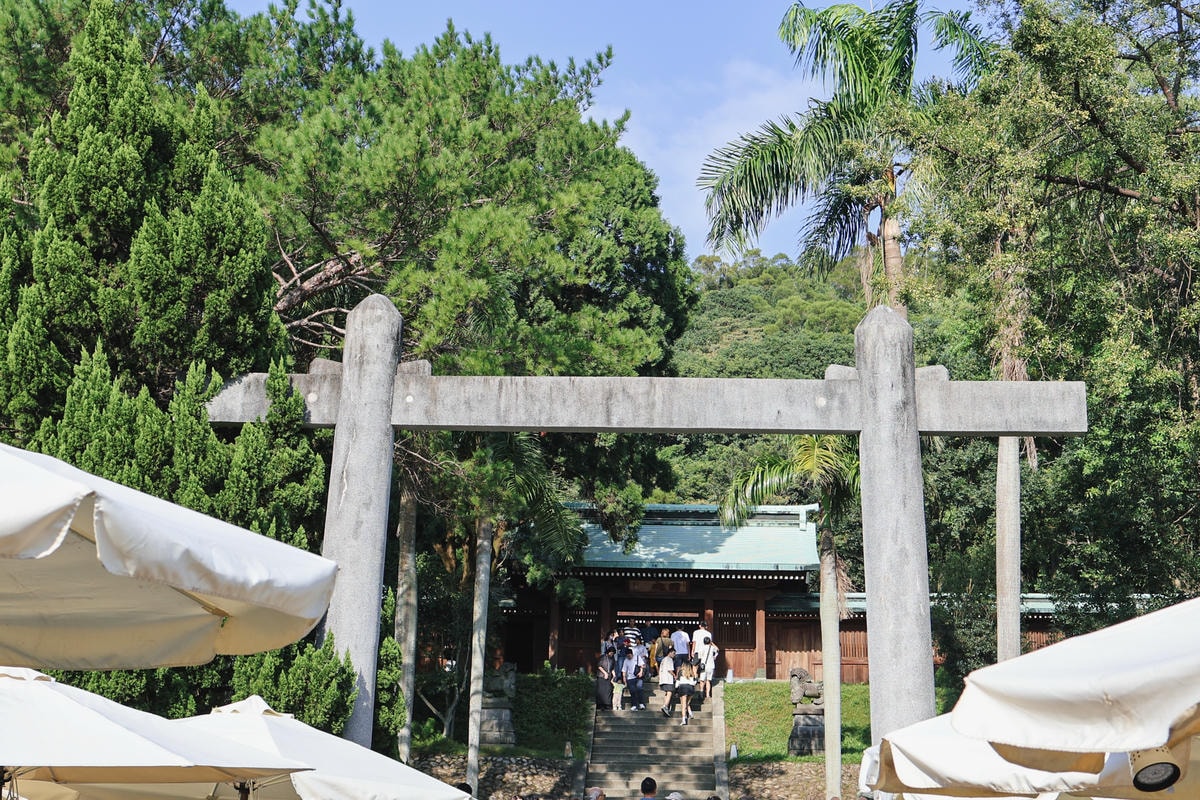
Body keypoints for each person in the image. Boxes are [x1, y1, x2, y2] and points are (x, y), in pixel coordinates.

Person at [621, 635, 647, 710]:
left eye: (629, 655)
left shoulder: (637, 657)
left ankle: (641, 703)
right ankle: (634, 705)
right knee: (632, 691)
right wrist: (624, 681)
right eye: (627, 656)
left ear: (632, 654)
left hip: (638, 676)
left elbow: (642, 665)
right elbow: (624, 671)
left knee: (639, 689)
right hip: (630, 678)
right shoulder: (626, 660)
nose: (629, 657)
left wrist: (641, 672)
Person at [695, 633, 719, 699]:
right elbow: (717, 649)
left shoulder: (701, 648)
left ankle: (701, 692)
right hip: (711, 665)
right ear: (709, 641)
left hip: (703, 666)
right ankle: (708, 695)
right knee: (708, 680)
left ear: (704, 642)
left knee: (702, 680)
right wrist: (712, 644)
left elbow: (700, 657)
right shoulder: (712, 648)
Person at [675, 660, 697, 725]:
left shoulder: (681, 672)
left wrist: (676, 690)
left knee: (683, 704)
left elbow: (677, 683)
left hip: (683, 688)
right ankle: (690, 713)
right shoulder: (691, 673)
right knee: (687, 703)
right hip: (690, 688)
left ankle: (684, 719)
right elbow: (694, 682)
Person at [595, 645, 616, 710]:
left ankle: (607, 704)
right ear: (608, 652)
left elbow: (612, 668)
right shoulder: (603, 657)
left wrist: (614, 674)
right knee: (601, 691)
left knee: (608, 690)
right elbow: (599, 666)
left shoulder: (612, 659)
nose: (612, 654)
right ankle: (601, 705)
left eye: (613, 653)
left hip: (609, 676)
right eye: (611, 653)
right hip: (602, 676)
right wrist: (605, 673)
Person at [657, 645, 677, 716]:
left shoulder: (663, 659)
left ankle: (665, 705)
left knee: (667, 693)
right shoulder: (669, 659)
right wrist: (675, 675)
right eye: (674, 653)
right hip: (668, 679)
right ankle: (665, 705)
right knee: (670, 692)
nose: (674, 655)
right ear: (670, 652)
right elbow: (670, 670)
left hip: (663, 679)